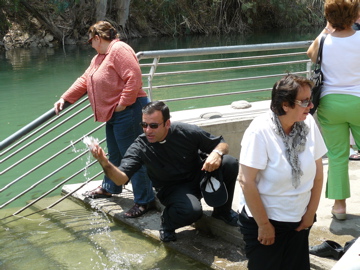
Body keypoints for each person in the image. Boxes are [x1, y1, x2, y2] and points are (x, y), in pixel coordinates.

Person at [90, 101, 239, 242]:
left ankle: (222, 212)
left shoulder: (186, 131)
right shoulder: (139, 147)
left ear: (167, 123)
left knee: (229, 163)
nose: (148, 130)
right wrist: (104, 162)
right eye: (144, 125)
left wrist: (216, 153)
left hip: (199, 174)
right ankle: (167, 222)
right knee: (192, 211)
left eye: (153, 126)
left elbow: (221, 143)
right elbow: (120, 179)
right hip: (173, 189)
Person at [53, 21, 155, 218]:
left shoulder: (119, 49)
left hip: (130, 110)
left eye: (90, 41)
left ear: (97, 38)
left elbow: (134, 76)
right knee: (115, 152)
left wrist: (123, 104)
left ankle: (145, 201)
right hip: (115, 112)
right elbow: (85, 79)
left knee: (133, 156)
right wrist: (65, 97)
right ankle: (111, 187)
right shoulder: (100, 57)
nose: (90, 44)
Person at [238, 75, 327, 270]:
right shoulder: (260, 131)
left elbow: (318, 174)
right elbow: (246, 181)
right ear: (285, 105)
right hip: (266, 222)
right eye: (304, 102)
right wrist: (264, 225)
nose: (311, 106)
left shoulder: (308, 124)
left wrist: (310, 214)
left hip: (299, 220)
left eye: (310, 100)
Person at [307, 0, 360, 220]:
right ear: (355, 14)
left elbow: (310, 54)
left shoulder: (323, 39)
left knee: (338, 156)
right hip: (358, 101)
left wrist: (327, 27)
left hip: (330, 103)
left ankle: (339, 207)